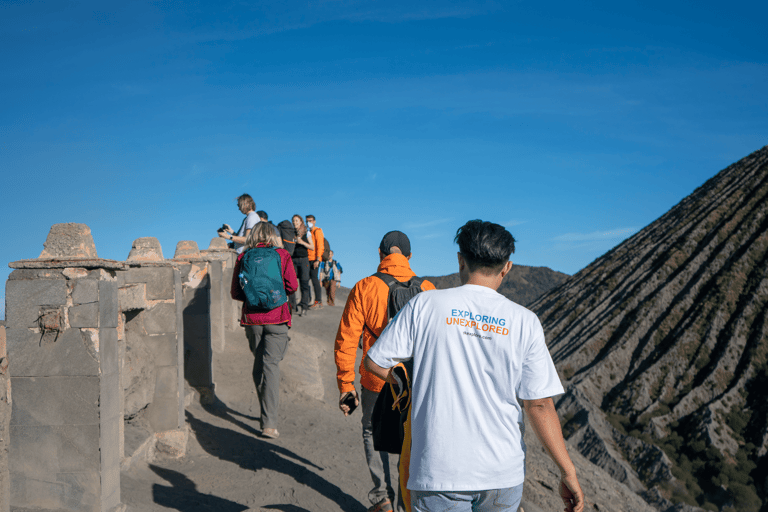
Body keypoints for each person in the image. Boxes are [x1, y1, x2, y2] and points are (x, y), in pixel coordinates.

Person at [364, 220, 585, 512]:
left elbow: (374, 363)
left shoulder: (425, 305)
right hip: (501, 475)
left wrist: (406, 382)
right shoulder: (524, 321)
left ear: (460, 260)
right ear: (506, 267)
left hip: (437, 472)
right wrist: (567, 471)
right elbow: (539, 405)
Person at [334, 231, 435, 512]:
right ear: (409, 257)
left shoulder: (364, 287)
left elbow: (346, 340)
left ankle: (382, 498)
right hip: (416, 382)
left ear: (380, 254)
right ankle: (408, 501)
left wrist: (346, 386)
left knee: (371, 430)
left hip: (376, 379)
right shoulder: (428, 289)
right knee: (412, 438)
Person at [230, 222, 298, 439]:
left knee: (259, 367)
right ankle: (269, 423)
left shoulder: (244, 257)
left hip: (253, 321)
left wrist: (254, 298)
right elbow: (293, 286)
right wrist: (275, 295)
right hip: (277, 318)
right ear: (273, 236)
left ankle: (266, 414)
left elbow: (235, 292)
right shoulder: (282, 255)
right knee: (271, 366)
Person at [291, 214, 313, 316]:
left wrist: (302, 242)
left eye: (297, 221)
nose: (295, 223)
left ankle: (304, 307)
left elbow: (312, 247)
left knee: (304, 284)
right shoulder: (291, 233)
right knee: (291, 284)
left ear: (301, 222)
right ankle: (293, 306)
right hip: (293, 260)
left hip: (304, 260)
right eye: (293, 221)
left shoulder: (306, 232)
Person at [305, 214, 325, 310]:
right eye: (307, 221)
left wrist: (318, 259)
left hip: (314, 260)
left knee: (314, 279)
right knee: (305, 280)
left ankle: (318, 301)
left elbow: (320, 246)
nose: (309, 222)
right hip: (307, 259)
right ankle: (308, 300)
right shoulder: (308, 232)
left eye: (311, 220)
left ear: (314, 221)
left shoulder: (317, 231)